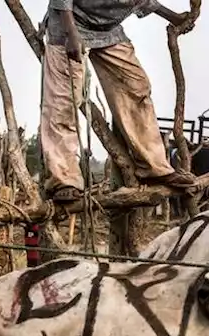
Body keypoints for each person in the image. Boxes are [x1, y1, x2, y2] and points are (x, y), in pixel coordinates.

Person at [39, 0, 197, 203]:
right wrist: (70, 34)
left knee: (136, 89)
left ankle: (154, 167)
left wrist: (174, 17)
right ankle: (64, 180)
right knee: (62, 102)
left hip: (109, 31)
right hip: (68, 24)